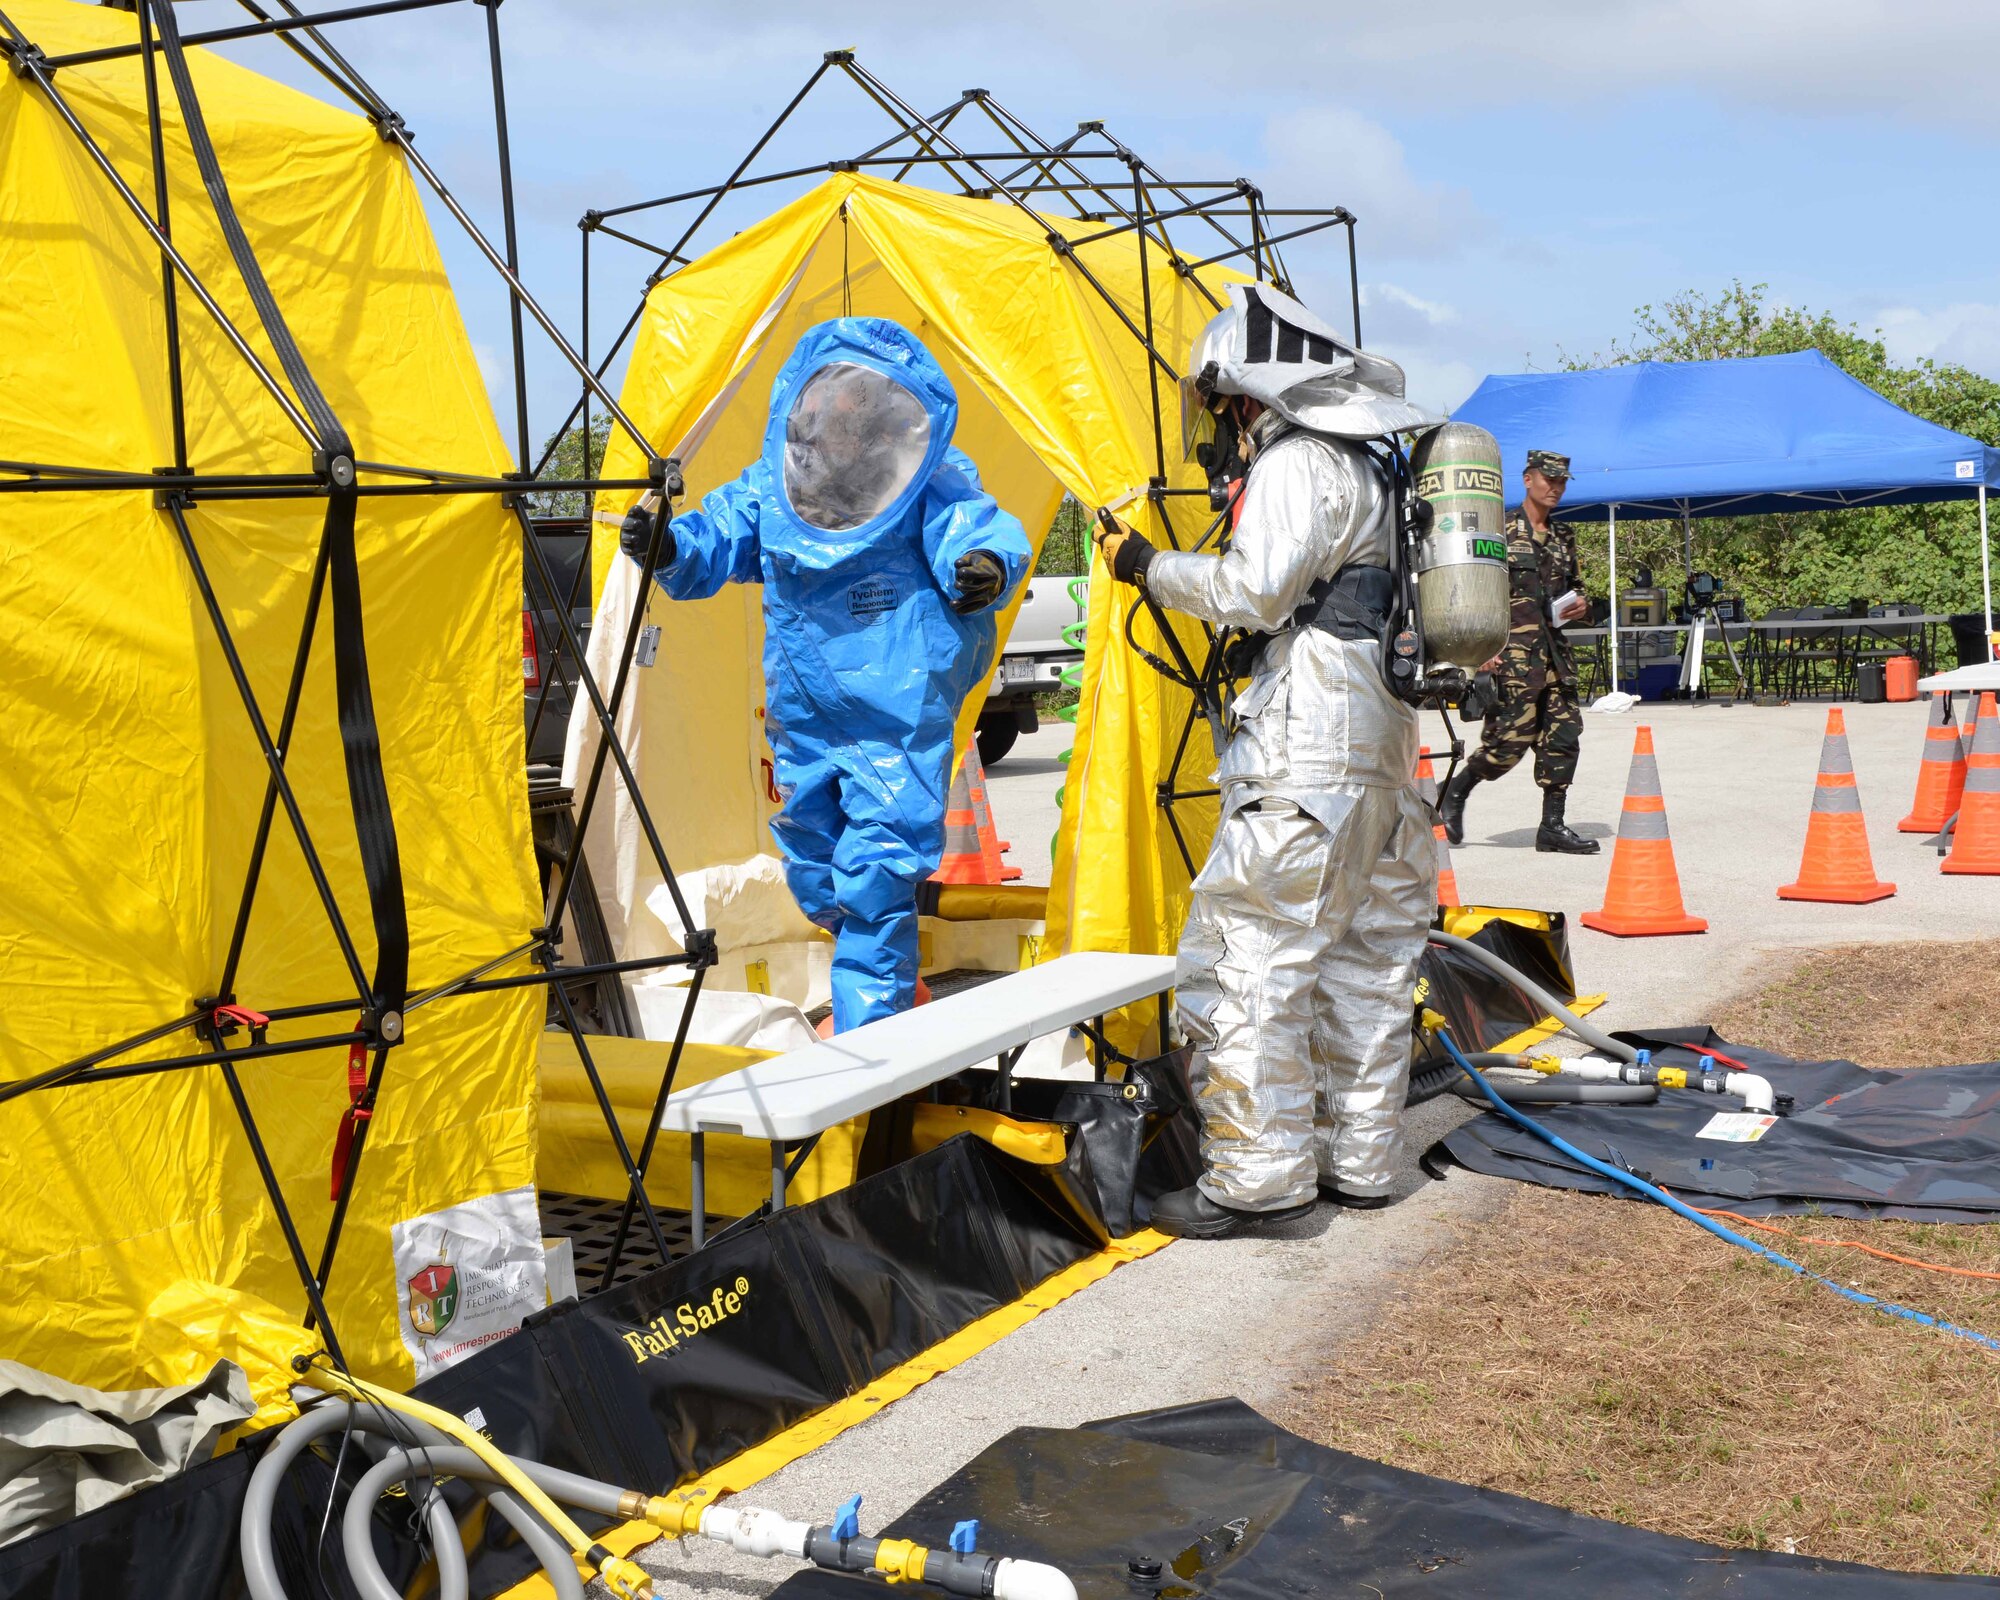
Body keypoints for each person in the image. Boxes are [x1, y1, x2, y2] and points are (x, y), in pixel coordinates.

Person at [1093, 284, 1440, 1239]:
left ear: (1252, 395)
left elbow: (1253, 591)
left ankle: (1255, 1182)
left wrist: (1143, 566)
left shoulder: (1299, 462)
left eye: (1223, 406)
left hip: (1304, 754)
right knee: (1365, 966)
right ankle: (1362, 1164)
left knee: (1246, 960)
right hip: (1378, 750)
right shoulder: (1379, 469)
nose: (1220, 428)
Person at [620, 317, 1030, 1032]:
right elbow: (718, 534)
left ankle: (871, 1048)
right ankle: (893, 983)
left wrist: (986, 570)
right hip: (806, 715)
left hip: (892, 721)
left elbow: (975, 527)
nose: (839, 424)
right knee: (813, 872)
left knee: (874, 878)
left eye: (857, 411)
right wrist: (667, 546)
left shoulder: (924, 480)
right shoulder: (780, 486)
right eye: (829, 409)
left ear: (882, 419)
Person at [1437, 448, 1597, 854]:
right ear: (1528, 479)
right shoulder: (1500, 529)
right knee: (1507, 743)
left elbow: (1576, 591)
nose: (1556, 488)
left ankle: (1552, 827)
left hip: (1556, 658)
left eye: (1562, 481)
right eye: (1550, 480)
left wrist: (1581, 606)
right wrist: (1481, 650)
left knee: (1563, 738)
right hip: (1514, 658)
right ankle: (1454, 792)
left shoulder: (1563, 537)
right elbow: (1476, 592)